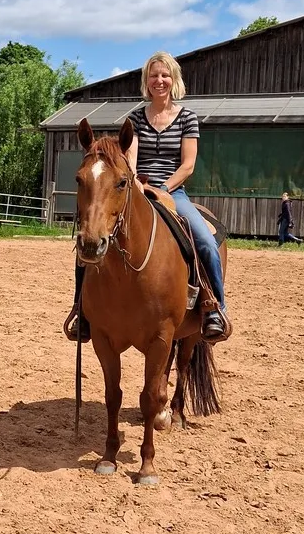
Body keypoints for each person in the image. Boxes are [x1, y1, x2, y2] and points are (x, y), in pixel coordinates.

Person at [64, 50, 229, 344]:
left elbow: (188, 164)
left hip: (172, 190)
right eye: (154, 75)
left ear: (173, 80)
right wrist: (138, 185)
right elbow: (131, 157)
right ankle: (82, 309)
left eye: (165, 75)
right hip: (137, 186)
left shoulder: (187, 118)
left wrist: (164, 188)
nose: (159, 80)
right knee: (91, 236)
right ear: (147, 81)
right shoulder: (137, 118)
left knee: (204, 240)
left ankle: (213, 307)